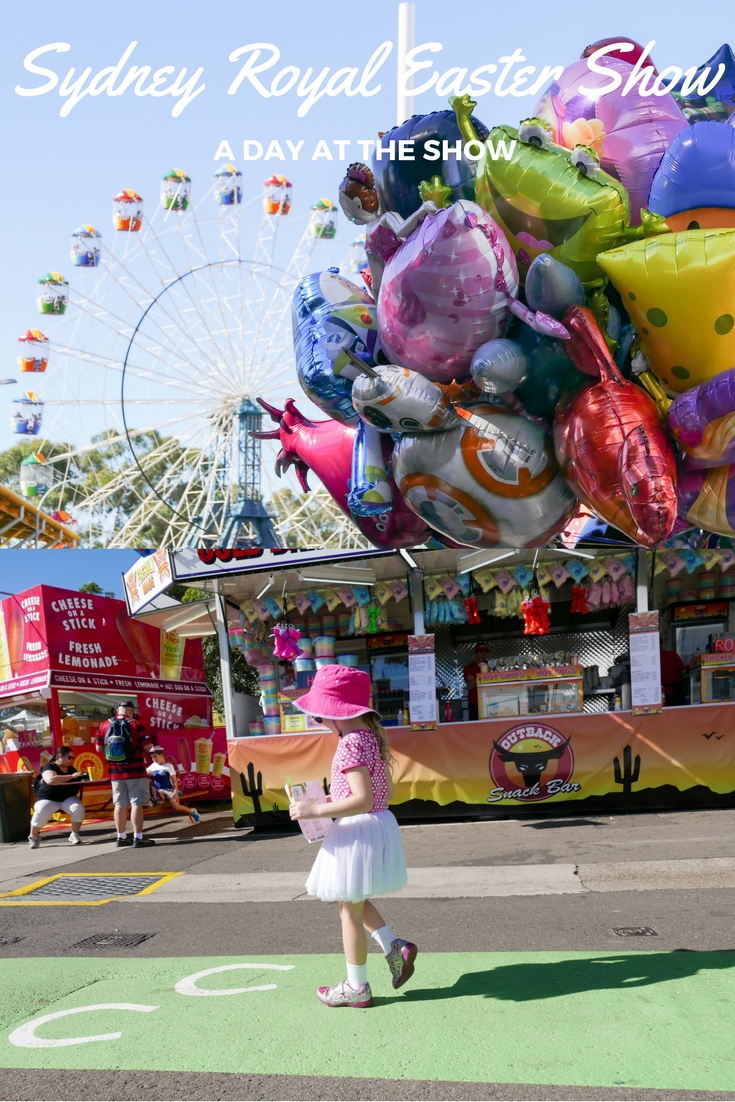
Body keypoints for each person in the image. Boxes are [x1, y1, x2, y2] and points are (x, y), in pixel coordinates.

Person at [289, 664, 417, 1009]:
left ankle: (356, 986)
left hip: (357, 829)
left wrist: (313, 810)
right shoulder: (370, 738)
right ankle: (393, 946)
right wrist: (330, 800)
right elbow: (383, 791)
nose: (318, 720)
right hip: (375, 825)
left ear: (332, 711)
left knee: (348, 909)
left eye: (318, 715)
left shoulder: (349, 743)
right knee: (352, 898)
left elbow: (361, 799)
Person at [95, 701, 156, 849]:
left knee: (120, 804)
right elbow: (148, 747)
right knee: (136, 803)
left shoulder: (104, 725)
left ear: (117, 710)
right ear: (131, 711)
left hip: (115, 773)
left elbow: (99, 749)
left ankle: (121, 836)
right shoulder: (136, 724)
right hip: (136, 772)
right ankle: (138, 837)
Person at [28, 745, 86, 848]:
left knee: (78, 808)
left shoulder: (71, 768)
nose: (71, 760)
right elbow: (51, 780)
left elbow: (78, 781)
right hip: (47, 797)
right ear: (60, 756)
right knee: (42, 809)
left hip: (66, 797)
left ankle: (74, 834)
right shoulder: (50, 766)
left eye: (72, 758)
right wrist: (72, 776)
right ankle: (33, 836)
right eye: (69, 757)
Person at [146, 747, 200, 823]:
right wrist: (148, 773)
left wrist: (175, 791)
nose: (153, 759)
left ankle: (192, 811)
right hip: (159, 790)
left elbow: (174, 780)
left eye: (155, 756)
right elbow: (146, 772)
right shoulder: (153, 765)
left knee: (176, 807)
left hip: (169, 789)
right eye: (152, 757)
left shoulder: (169, 766)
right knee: (154, 796)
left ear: (161, 755)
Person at [463, 642, 489, 721]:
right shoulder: (468, 667)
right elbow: (470, 686)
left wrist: (475, 678)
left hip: (489, 702)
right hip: (474, 703)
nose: (483, 655)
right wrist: (483, 675)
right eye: (481, 652)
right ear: (475, 653)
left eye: (485, 652)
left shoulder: (490, 665)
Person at [660, 641, 686, 706]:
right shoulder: (672, 654)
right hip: (674, 691)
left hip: (656, 694)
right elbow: (683, 671)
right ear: (662, 644)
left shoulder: (648, 658)